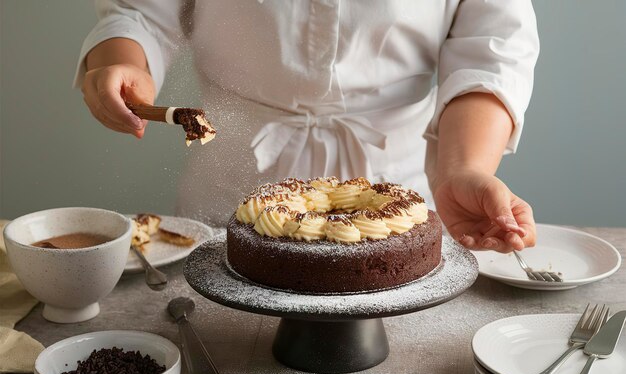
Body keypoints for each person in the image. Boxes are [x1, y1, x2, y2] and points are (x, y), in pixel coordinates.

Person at [76, 0, 539, 253]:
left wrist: (464, 169)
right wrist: (121, 59)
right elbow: (139, 14)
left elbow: (490, 51)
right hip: (231, 189)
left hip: (398, 197)